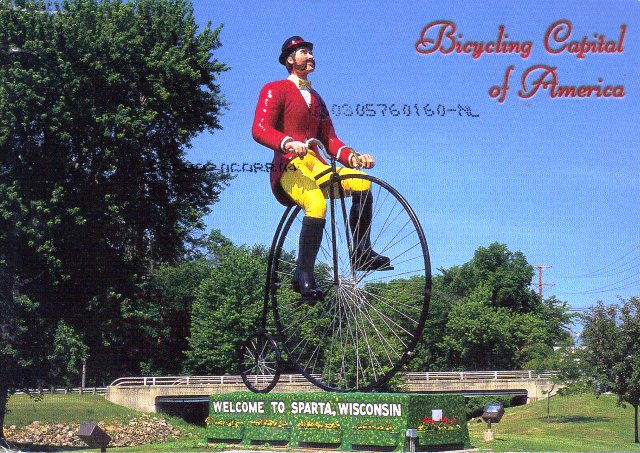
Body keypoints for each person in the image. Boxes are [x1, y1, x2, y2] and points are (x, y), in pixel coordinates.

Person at [252, 36, 390, 301]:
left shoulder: (317, 99)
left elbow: (329, 140)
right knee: (315, 202)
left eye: (311, 52)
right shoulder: (275, 89)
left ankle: (361, 251)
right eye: (304, 52)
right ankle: (303, 273)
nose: (310, 56)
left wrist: (354, 158)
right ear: (290, 59)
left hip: (316, 163)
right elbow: (260, 129)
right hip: (289, 165)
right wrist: (287, 142)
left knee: (361, 181)